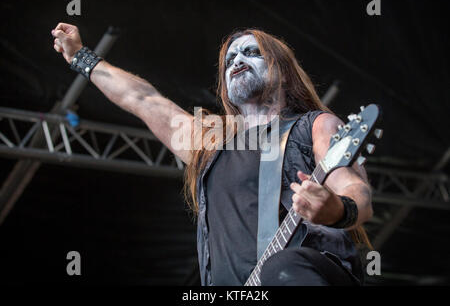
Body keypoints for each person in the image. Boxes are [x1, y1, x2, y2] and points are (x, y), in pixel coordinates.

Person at [52, 23, 373, 286]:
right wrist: (80, 57)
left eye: (251, 52)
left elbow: (355, 191)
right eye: (230, 58)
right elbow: (142, 99)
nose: (237, 60)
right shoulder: (209, 142)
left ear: (284, 73)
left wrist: (336, 209)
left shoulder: (315, 125)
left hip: (307, 275)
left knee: (283, 267)